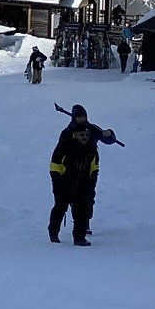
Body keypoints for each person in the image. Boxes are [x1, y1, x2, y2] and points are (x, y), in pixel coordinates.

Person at [49, 105, 113, 245]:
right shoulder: (66, 135)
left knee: (84, 206)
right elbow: (56, 162)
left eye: (83, 117)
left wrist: (109, 134)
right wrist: (58, 182)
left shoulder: (92, 132)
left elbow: (108, 141)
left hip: (83, 180)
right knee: (60, 206)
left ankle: (80, 236)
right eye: (79, 117)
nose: (82, 119)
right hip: (66, 180)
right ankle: (53, 232)